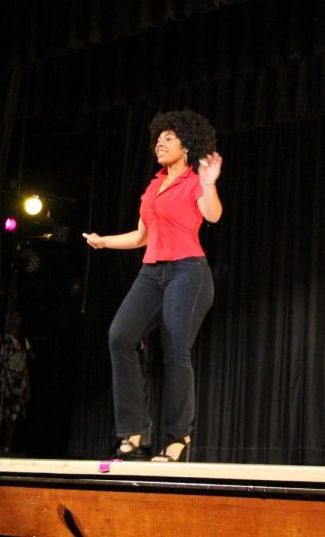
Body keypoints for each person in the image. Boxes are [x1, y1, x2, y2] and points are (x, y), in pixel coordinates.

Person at [83, 108, 222, 462]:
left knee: (175, 348)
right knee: (120, 336)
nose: (160, 143)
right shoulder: (152, 185)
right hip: (151, 273)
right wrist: (104, 241)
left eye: (169, 138)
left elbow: (212, 215)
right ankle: (133, 430)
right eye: (158, 138)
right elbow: (142, 236)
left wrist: (208, 183)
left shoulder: (195, 182)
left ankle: (177, 439)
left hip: (188, 272)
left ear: (186, 145)